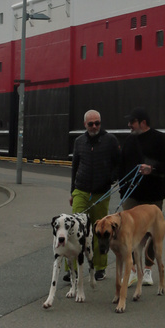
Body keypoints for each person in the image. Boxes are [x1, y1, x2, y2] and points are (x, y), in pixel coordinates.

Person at [119, 107, 165, 286]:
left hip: (153, 194)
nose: (129, 125)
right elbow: (122, 165)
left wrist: (152, 169)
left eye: (132, 122)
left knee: (152, 233)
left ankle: (148, 270)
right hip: (132, 194)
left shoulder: (160, 139)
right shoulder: (129, 140)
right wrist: (122, 188)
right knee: (128, 232)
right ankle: (133, 270)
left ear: (143, 122)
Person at [69, 109, 121, 282]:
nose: (94, 126)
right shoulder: (79, 142)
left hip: (101, 192)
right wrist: (72, 191)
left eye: (97, 123)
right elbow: (74, 167)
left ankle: (100, 267)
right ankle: (73, 269)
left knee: (101, 231)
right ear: (85, 124)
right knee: (76, 228)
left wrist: (111, 179)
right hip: (81, 190)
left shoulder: (110, 140)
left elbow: (118, 163)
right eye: (91, 123)